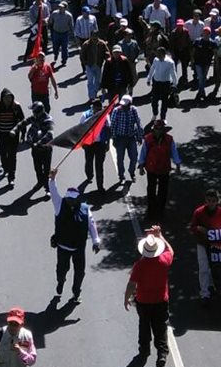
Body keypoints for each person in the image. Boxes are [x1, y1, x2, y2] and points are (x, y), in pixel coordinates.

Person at [124, 226, 173, 367]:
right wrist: (160, 235)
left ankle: (144, 350)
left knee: (144, 326)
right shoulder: (164, 260)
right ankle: (162, 355)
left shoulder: (140, 266)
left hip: (144, 302)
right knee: (160, 327)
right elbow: (170, 250)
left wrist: (126, 298)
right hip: (161, 301)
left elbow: (132, 285)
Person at [48, 170, 101, 303]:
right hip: (63, 247)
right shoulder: (59, 204)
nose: (70, 201)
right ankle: (60, 282)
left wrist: (96, 241)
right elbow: (53, 192)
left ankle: (76, 293)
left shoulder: (85, 209)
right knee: (61, 270)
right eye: (68, 198)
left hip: (78, 248)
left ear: (78, 198)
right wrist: (52, 179)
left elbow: (91, 224)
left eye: (72, 199)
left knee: (80, 273)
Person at [189, 190, 221, 304]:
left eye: (213, 201)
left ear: (217, 201)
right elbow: (192, 227)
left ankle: (211, 285)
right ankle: (204, 294)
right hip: (202, 243)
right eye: (208, 201)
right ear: (205, 200)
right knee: (203, 268)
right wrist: (198, 229)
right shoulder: (199, 212)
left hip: (216, 243)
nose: (210, 203)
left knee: (214, 266)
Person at [138, 119, 182, 216]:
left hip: (164, 168)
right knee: (151, 190)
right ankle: (151, 211)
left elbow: (174, 153)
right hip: (151, 168)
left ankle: (161, 210)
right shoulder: (148, 139)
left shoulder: (169, 139)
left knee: (163, 191)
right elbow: (143, 153)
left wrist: (177, 165)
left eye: (161, 129)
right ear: (154, 129)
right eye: (157, 128)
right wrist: (141, 166)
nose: (158, 131)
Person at [0, 89, 25, 186]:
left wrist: (23, 134)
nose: (8, 100)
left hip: (13, 136)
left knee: (12, 156)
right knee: (3, 154)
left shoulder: (16, 107)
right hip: (1, 135)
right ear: (2, 98)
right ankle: (5, 168)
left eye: (10, 97)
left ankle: (11, 177)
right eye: (6, 98)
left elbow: (22, 121)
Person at [110, 95, 143, 186]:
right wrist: (114, 138)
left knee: (134, 157)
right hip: (120, 138)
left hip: (131, 137)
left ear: (130, 104)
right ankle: (121, 176)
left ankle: (131, 172)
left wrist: (140, 136)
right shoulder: (117, 111)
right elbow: (113, 125)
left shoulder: (134, 110)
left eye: (125, 105)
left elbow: (138, 123)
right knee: (120, 158)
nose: (123, 107)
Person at [21, 102, 54, 193]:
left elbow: (49, 135)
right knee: (37, 168)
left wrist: (39, 142)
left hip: (46, 149)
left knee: (46, 169)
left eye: (34, 111)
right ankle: (40, 182)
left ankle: (47, 188)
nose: (33, 113)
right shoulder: (35, 119)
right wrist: (29, 139)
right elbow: (28, 127)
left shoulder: (48, 120)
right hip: (35, 150)